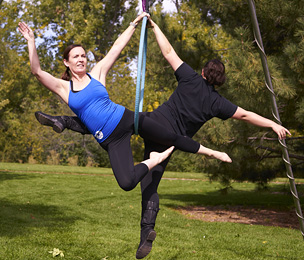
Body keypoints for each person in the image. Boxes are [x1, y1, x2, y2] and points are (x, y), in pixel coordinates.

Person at [32, 17, 291, 259]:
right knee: (150, 182)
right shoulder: (217, 103)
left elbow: (168, 53)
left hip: (152, 122)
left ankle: (65, 122)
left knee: (112, 124)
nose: (81, 59)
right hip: (167, 138)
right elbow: (245, 115)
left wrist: (151, 26)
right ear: (219, 81)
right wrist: (272, 124)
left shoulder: (190, 78)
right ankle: (147, 228)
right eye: (76, 56)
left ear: (202, 72)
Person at [18, 14, 232, 193]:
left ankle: (212, 152)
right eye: (76, 56)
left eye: (83, 55)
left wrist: (134, 24)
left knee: (173, 137)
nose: (81, 59)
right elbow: (36, 71)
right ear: (67, 62)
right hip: (111, 139)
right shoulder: (64, 88)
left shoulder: (97, 73)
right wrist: (31, 42)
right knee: (127, 183)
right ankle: (154, 159)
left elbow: (116, 47)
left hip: (126, 119)